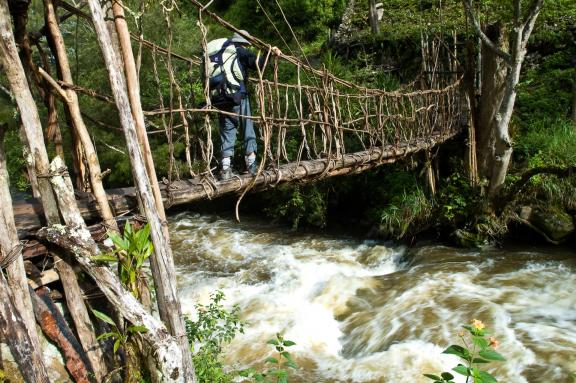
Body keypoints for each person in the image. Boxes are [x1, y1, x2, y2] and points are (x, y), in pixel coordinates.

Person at [211, 30, 281, 180]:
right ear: (245, 43)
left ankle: (225, 168)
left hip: (220, 99)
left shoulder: (222, 52)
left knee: (227, 131)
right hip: (239, 96)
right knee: (247, 127)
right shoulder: (241, 52)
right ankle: (252, 165)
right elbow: (259, 65)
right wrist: (269, 52)